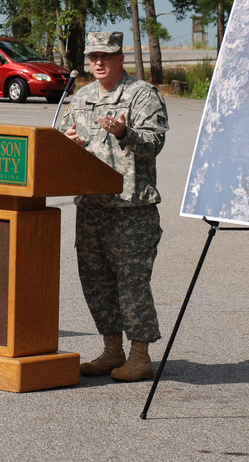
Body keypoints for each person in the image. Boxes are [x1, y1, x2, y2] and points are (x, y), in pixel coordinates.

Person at [58, 31, 169, 382]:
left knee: (132, 283)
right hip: (90, 207)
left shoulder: (141, 94)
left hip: (130, 208)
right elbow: (60, 138)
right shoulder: (81, 97)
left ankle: (140, 355)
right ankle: (111, 350)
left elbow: (154, 142)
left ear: (121, 58)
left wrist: (125, 133)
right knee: (95, 281)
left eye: (106, 56)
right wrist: (66, 142)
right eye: (93, 57)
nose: (98, 63)